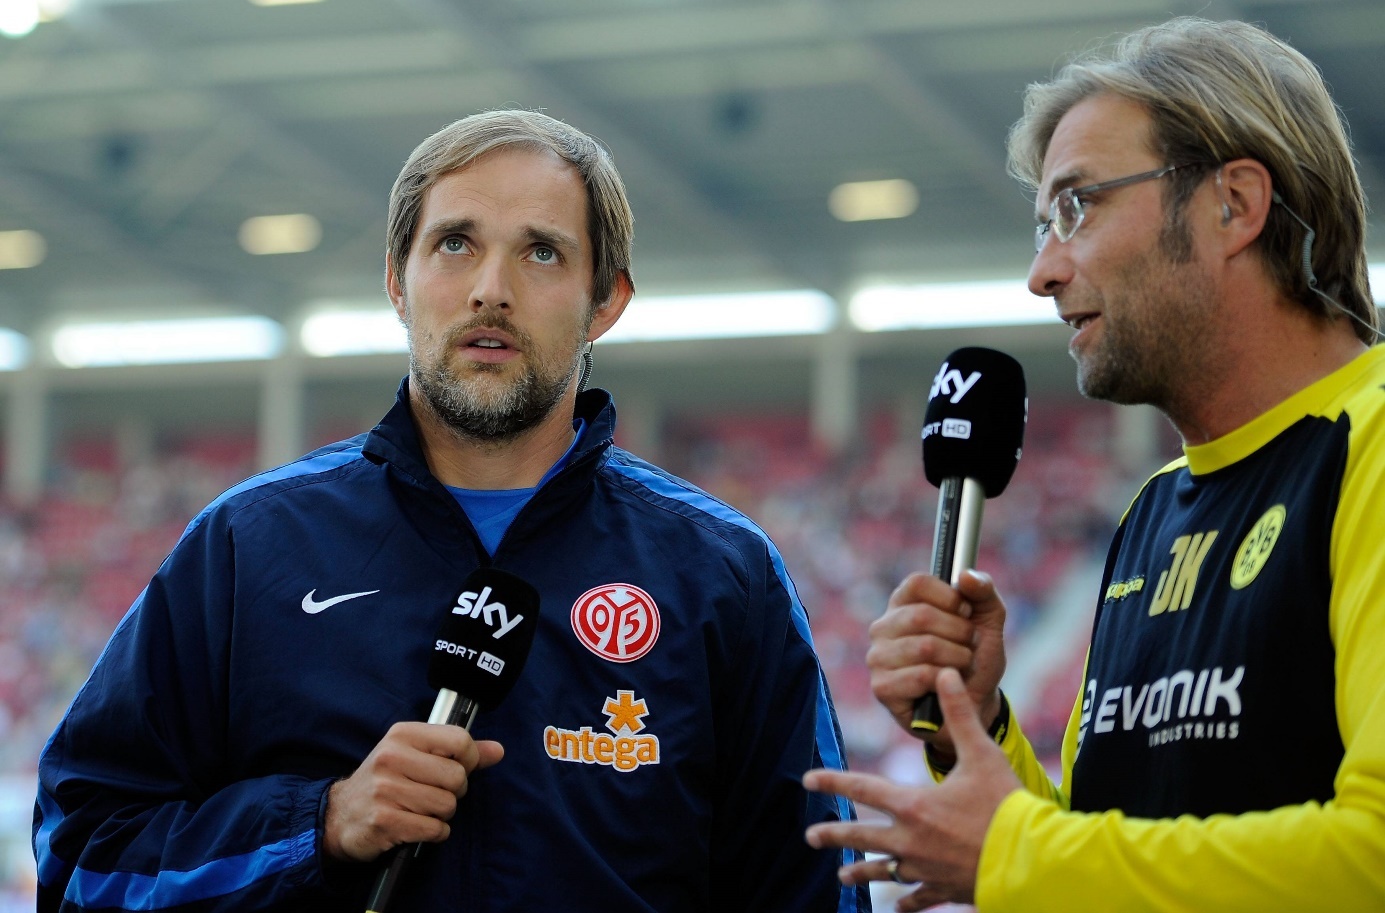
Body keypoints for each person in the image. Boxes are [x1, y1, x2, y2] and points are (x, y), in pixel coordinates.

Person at [34, 110, 868, 913]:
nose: (490, 290)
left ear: (605, 301)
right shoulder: (247, 545)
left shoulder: (722, 571)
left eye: (541, 252)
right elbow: (80, 862)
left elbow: (815, 889)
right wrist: (318, 824)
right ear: (397, 282)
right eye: (455, 243)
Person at [802, 17, 1385, 911]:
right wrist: (978, 725)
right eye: (1042, 226)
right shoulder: (1152, 511)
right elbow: (1101, 855)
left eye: (1076, 206)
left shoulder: (1369, 443)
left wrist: (1015, 853)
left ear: (1233, 204)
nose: (1041, 272)